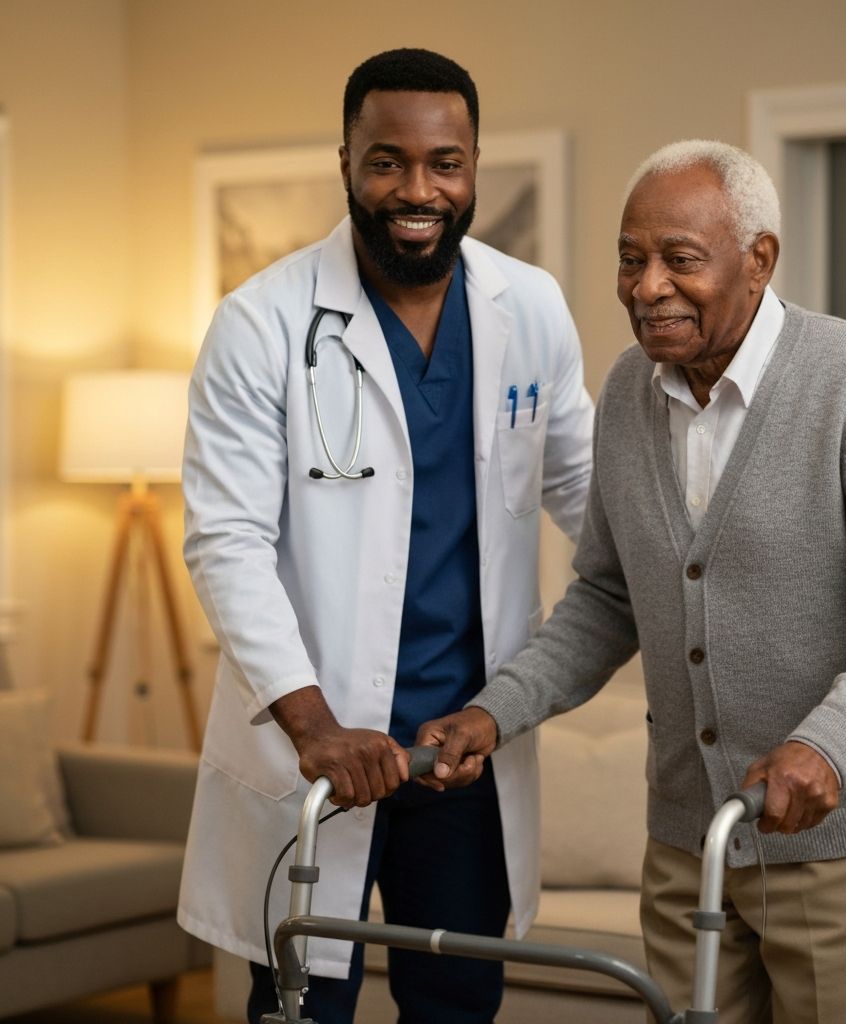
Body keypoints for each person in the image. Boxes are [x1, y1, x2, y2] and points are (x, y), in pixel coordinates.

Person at [417, 140, 846, 1024]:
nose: (647, 287)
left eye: (680, 259)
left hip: (837, 849)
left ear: (759, 262)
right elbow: (606, 597)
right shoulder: (630, 392)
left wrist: (826, 744)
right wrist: (496, 710)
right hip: (688, 843)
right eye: (631, 259)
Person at [177, 48, 593, 1024]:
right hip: (318, 755)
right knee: (298, 1003)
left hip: (460, 755)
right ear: (346, 164)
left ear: (474, 164)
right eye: (387, 160)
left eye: (444, 162)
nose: (418, 188)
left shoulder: (527, 306)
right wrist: (315, 727)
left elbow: (591, 501)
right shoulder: (261, 323)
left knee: (455, 1001)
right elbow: (226, 543)